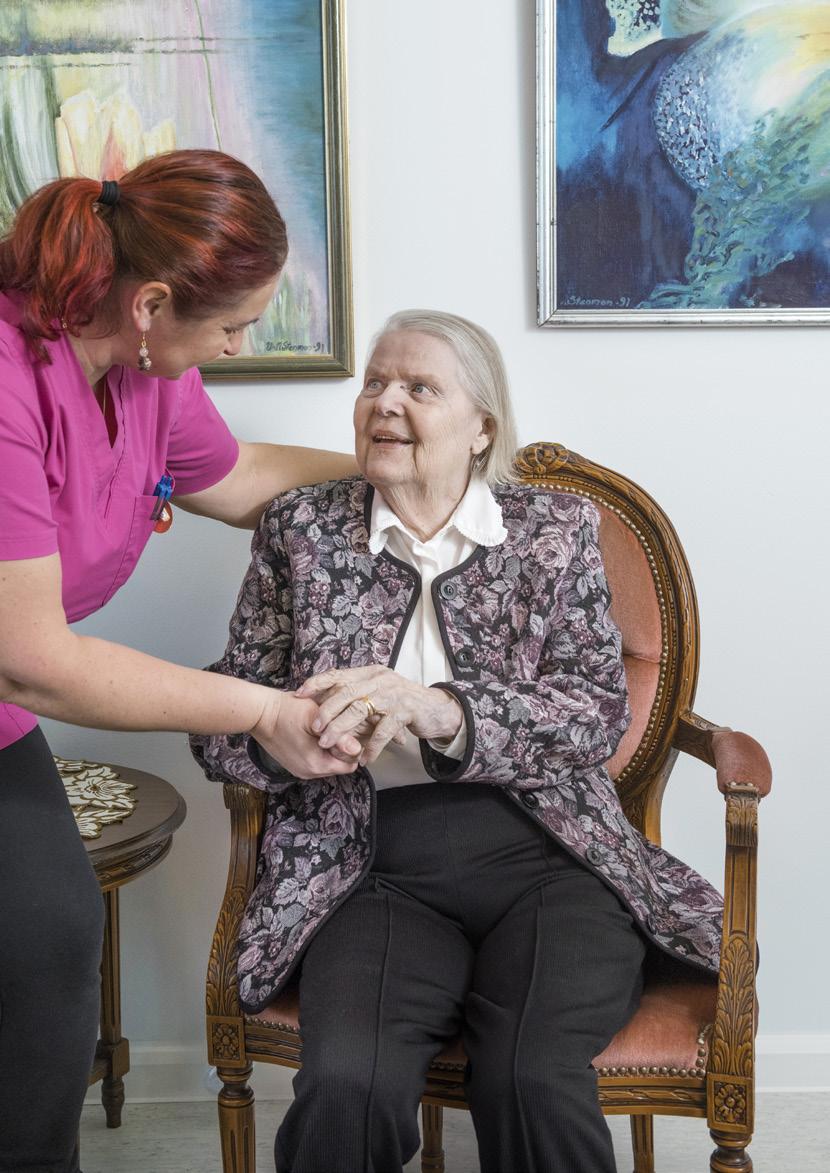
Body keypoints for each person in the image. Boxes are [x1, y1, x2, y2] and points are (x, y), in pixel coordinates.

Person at [191, 309, 724, 1173]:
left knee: (533, 1077)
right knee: (346, 1084)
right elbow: (222, 718)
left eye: (419, 387)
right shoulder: (302, 530)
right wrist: (280, 736)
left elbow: (595, 712)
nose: (384, 402)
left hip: (553, 855)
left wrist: (446, 711)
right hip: (367, 864)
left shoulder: (555, 530)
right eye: (373, 382)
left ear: (482, 426)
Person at [0, 149, 361, 1173]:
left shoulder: (146, 370)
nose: (238, 344)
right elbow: (30, 661)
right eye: (232, 325)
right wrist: (258, 707)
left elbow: (240, 475)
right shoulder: (6, 380)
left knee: (47, 939)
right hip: (12, 680)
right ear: (153, 301)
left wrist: (393, 464)